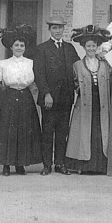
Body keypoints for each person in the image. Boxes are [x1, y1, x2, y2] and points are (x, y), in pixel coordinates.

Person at [0, 33, 41, 176]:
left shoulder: (30, 63)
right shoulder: (2, 63)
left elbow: (34, 81)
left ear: (25, 48)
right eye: (16, 45)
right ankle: (6, 165)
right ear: (11, 47)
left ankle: (20, 165)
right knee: (7, 132)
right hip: (9, 97)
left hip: (25, 97)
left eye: (22, 45)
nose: (19, 48)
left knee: (24, 132)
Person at [34, 16, 80, 176]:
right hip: (49, 99)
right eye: (54, 28)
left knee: (62, 133)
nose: (58, 31)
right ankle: (47, 165)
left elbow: (78, 69)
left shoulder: (69, 48)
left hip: (66, 99)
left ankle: (60, 163)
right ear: (49, 30)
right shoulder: (41, 49)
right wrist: (46, 93)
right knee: (47, 133)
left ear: (63, 29)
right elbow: (38, 74)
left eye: (60, 28)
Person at [66, 25, 112, 175]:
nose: (91, 48)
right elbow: (73, 83)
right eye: (88, 46)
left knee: (100, 131)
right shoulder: (77, 65)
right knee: (85, 133)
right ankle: (84, 165)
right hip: (85, 105)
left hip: (101, 104)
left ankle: (101, 165)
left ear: (97, 46)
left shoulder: (105, 64)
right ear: (84, 47)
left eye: (93, 46)